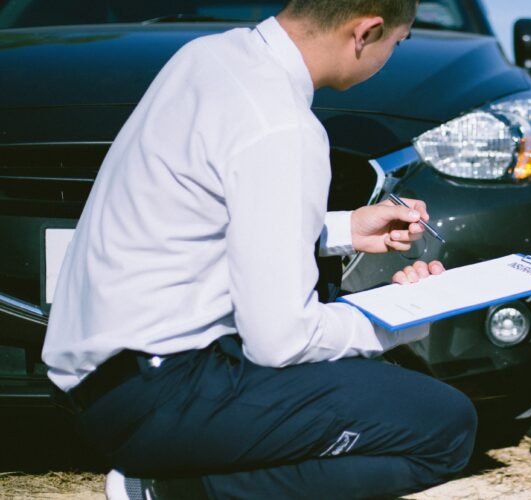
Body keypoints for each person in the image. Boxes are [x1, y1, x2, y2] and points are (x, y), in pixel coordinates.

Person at [41, 0, 478, 498]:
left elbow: (210, 219)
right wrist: (399, 317)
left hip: (100, 381)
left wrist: (345, 229)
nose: (390, 58)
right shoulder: (283, 125)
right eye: (396, 45)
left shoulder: (208, 56)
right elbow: (280, 341)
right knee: (445, 425)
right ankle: (171, 490)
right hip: (159, 399)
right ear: (365, 33)